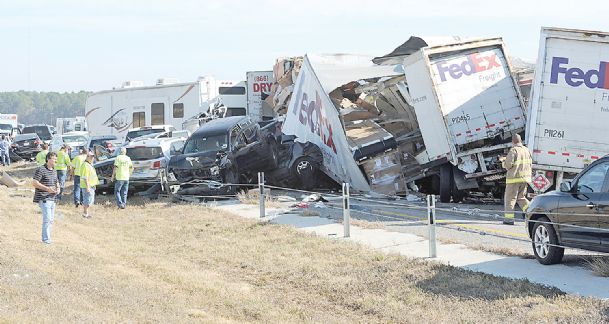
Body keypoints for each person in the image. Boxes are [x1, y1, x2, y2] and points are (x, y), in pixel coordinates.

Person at [501, 134, 532, 225]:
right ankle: (532, 213)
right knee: (521, 198)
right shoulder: (526, 150)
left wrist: (503, 161)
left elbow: (508, 165)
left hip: (514, 179)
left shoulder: (513, 150)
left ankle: (509, 220)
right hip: (525, 178)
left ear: (513, 142)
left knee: (510, 199)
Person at [32, 152, 60, 244]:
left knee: (51, 220)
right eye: (54, 159)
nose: (55, 160)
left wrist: (58, 188)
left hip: (52, 198)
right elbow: (34, 183)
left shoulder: (54, 170)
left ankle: (47, 238)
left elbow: (56, 182)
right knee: (47, 219)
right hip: (44, 198)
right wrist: (47, 189)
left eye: (56, 159)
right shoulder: (41, 169)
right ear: (48, 159)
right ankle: (46, 240)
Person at [79, 150, 99, 218]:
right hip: (87, 186)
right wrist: (88, 187)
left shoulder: (89, 164)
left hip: (91, 185)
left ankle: (86, 213)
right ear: (87, 157)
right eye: (91, 157)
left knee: (89, 200)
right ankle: (85, 214)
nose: (92, 158)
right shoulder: (85, 165)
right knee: (87, 200)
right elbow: (85, 177)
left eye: (93, 157)